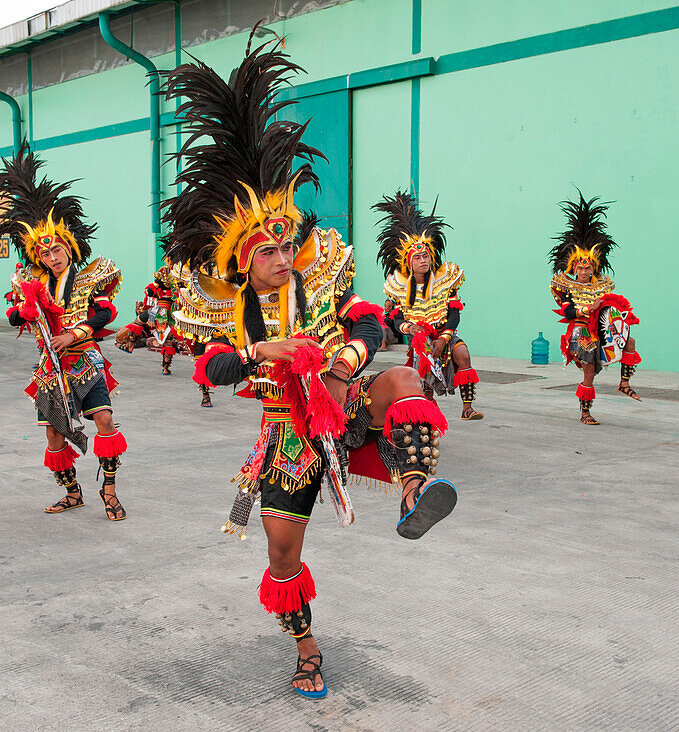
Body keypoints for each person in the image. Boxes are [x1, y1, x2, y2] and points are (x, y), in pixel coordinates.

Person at [161, 36, 457, 700]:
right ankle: (306, 647)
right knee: (281, 557)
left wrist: (343, 365)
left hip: (344, 406)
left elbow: (371, 324)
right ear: (245, 257)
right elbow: (211, 370)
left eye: (287, 242)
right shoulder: (232, 310)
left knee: (405, 381)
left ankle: (413, 495)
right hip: (287, 438)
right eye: (268, 248)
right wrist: (265, 353)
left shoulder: (323, 282)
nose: (283, 253)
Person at [0, 147, 128, 521]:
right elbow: (12, 319)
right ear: (39, 258)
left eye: (57, 249)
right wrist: (23, 311)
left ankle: (110, 489)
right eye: (45, 253)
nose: (53, 257)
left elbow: (105, 313)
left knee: (104, 422)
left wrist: (73, 334)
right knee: (54, 436)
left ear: (69, 247)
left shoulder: (89, 277)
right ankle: (72, 492)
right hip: (50, 370)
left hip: (83, 360)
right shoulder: (33, 286)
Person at [376, 191, 484, 420]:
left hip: (444, 334)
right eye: (417, 258)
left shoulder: (446, 280)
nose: (423, 260)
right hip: (420, 339)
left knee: (463, 354)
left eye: (425, 256)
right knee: (422, 378)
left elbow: (454, 314)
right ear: (408, 262)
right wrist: (409, 329)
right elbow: (395, 319)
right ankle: (425, 418)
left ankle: (467, 408)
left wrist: (444, 338)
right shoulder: (399, 287)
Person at [548, 193, 642, 425]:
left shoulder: (602, 286)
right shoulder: (567, 286)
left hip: (600, 328)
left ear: (593, 268)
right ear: (574, 268)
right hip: (581, 332)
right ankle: (585, 412)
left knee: (629, 342)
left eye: (587, 268)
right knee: (589, 369)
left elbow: (610, 309)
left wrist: (621, 316)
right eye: (580, 268)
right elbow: (568, 312)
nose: (584, 271)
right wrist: (589, 308)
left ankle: (625, 383)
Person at [114, 265, 213, 407]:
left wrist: (156, 286)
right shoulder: (193, 275)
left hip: (165, 313)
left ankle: (130, 346)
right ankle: (206, 397)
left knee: (143, 323)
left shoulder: (165, 273)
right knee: (196, 354)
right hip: (185, 315)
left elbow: (150, 291)